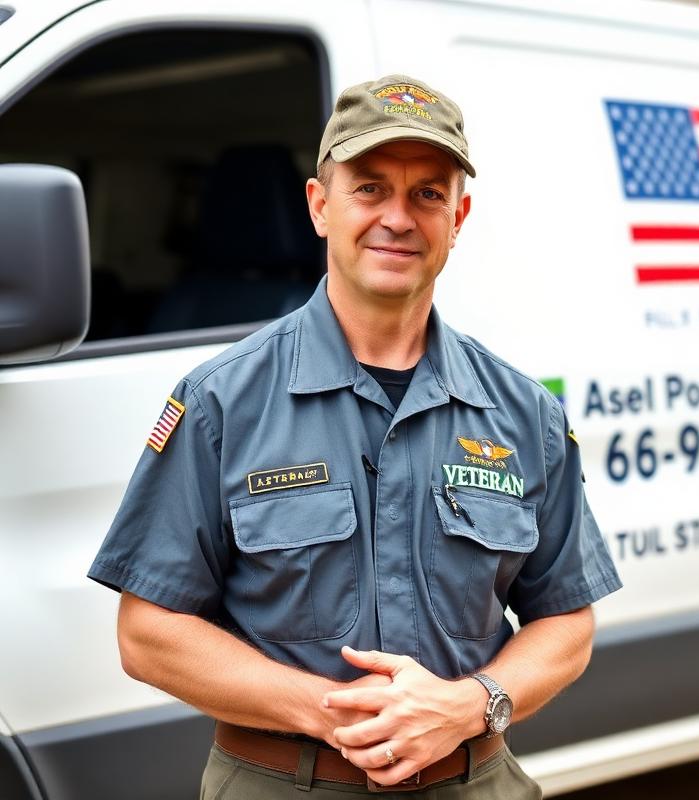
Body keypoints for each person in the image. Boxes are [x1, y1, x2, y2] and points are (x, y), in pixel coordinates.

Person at [88, 74, 622, 799]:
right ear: (320, 206)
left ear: (458, 216)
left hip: (474, 781)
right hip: (282, 783)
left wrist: (469, 705)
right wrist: (340, 715)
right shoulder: (222, 401)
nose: (398, 218)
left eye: (427, 194)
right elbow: (148, 633)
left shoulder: (522, 413)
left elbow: (567, 621)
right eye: (369, 189)